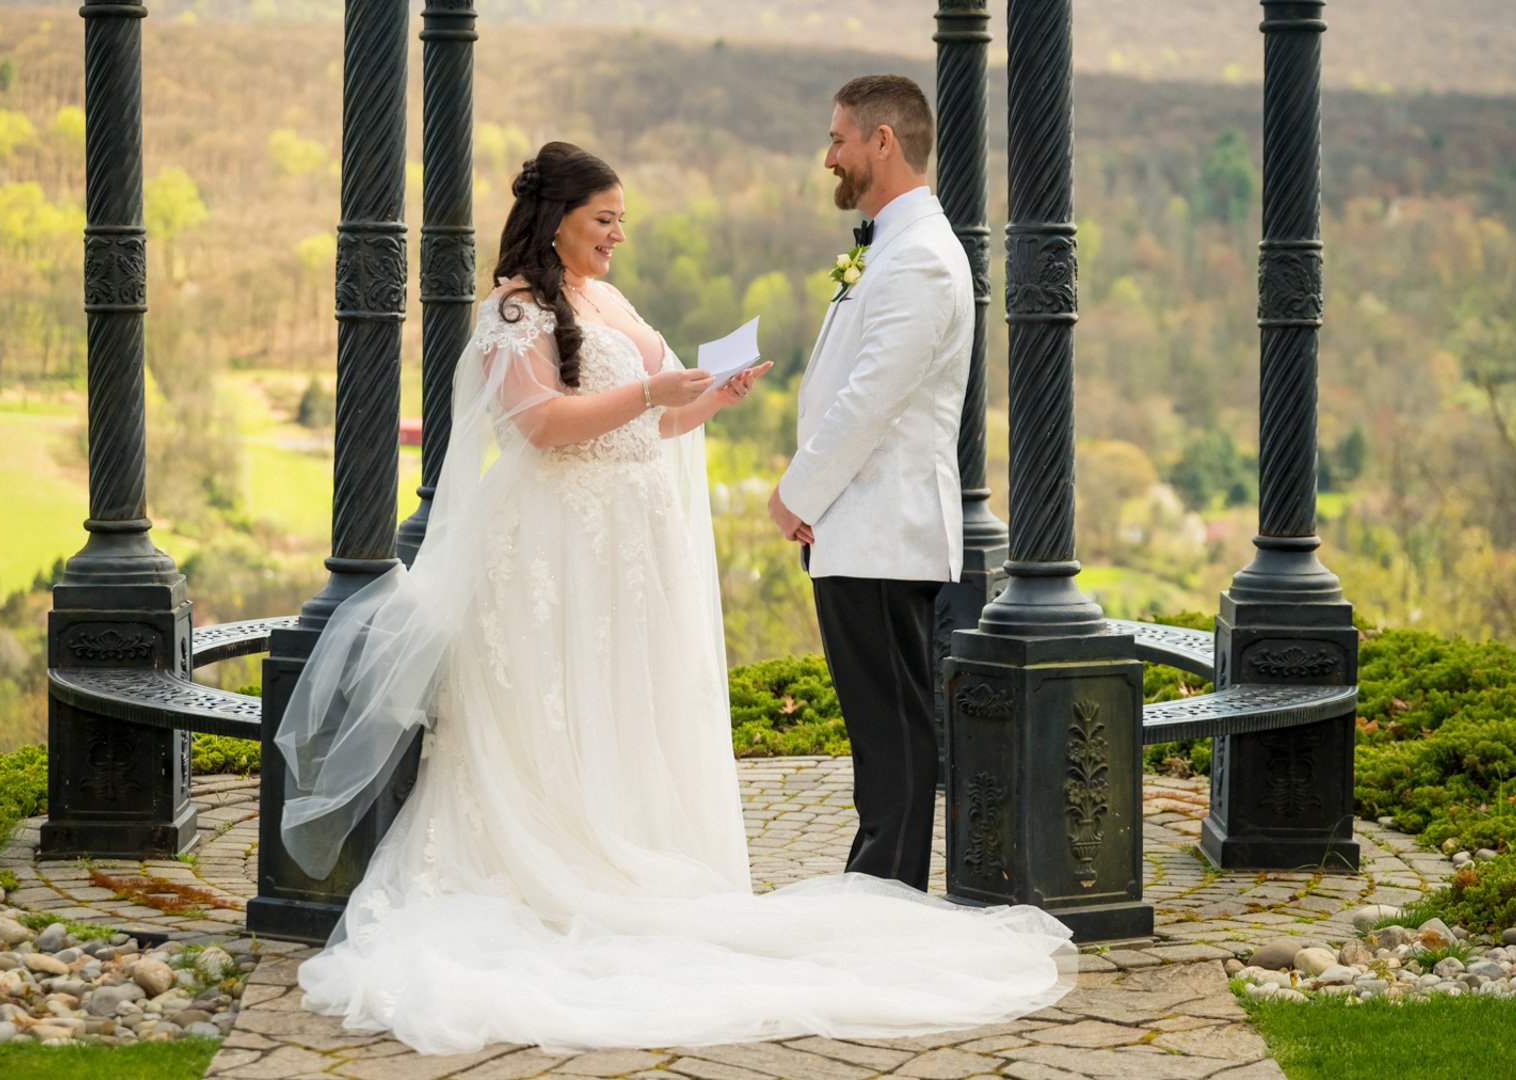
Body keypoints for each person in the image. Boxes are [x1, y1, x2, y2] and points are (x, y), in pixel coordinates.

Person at [274, 139, 1075, 1056]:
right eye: (604, 219)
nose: (618, 235)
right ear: (557, 221)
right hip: (556, 550)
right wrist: (654, 387)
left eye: (622, 220)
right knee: (561, 711)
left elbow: (650, 421)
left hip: (628, 554)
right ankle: (563, 866)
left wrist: (707, 396)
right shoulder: (511, 308)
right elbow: (539, 425)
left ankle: (636, 851)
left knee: (629, 707)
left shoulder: (605, 299)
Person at [771, 75, 967, 891]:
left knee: (893, 731)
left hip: (882, 530)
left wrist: (796, 494)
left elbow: (870, 403)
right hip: (859, 531)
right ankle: (876, 885)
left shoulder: (919, 259)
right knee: (879, 731)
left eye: (839, 139)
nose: (829, 157)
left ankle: (886, 900)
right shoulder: (889, 246)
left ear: (883, 142)